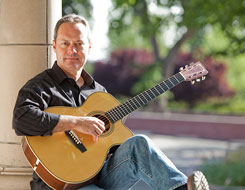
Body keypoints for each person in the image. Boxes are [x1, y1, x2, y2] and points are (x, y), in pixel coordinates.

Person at [12, 14, 209, 190]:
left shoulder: (100, 93)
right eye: (65, 43)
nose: (72, 50)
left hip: (99, 177)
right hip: (61, 185)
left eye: (79, 44)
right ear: (54, 46)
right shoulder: (41, 86)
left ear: (88, 47)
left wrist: (112, 149)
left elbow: (110, 146)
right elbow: (21, 119)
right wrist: (77, 122)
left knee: (139, 143)